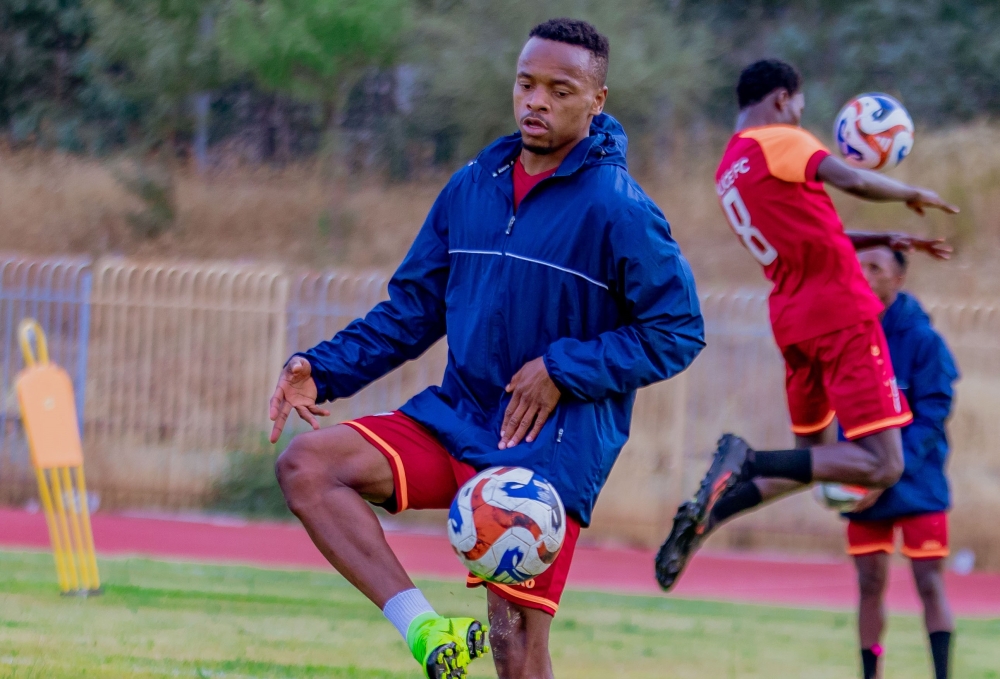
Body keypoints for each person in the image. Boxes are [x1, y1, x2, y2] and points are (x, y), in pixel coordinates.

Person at [267, 18, 705, 679]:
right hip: (459, 417)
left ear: (597, 100)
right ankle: (425, 629)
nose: (537, 101)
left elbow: (678, 330)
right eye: (527, 84)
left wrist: (563, 368)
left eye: (561, 89)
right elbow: (413, 309)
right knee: (309, 467)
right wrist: (320, 368)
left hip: (546, 449)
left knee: (514, 644)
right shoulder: (473, 184)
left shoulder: (619, 207)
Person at [655, 58, 958, 592]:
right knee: (883, 465)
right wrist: (911, 193)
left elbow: (813, 231)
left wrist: (885, 238)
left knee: (810, 460)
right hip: (841, 311)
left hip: (794, 318)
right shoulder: (777, 136)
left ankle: (709, 517)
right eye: (799, 105)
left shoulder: (730, 167)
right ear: (780, 98)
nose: (800, 116)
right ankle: (744, 459)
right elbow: (851, 179)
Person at [847, 246, 958, 679]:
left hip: (918, 483)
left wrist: (890, 471)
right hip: (865, 485)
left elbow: (934, 411)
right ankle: (870, 673)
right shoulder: (851, 333)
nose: (864, 273)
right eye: (860, 266)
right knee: (869, 584)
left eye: (875, 267)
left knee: (929, 584)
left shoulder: (924, 340)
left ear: (898, 280)